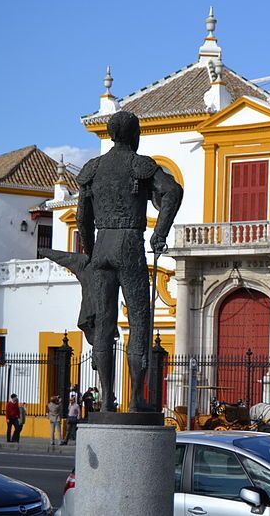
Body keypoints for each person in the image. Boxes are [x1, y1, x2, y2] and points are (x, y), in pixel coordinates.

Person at [75, 110, 183, 412]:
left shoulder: (92, 169)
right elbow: (173, 192)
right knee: (139, 320)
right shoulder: (140, 165)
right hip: (129, 243)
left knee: (105, 324)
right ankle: (136, 398)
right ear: (134, 135)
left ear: (111, 134)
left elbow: (82, 217)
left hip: (101, 248)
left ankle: (107, 399)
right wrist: (159, 233)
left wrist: (90, 249)